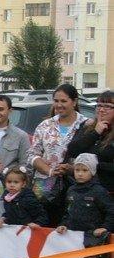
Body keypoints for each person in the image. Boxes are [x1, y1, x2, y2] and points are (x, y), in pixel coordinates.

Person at [27, 84, 87, 225]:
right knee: (43, 223)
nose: (59, 105)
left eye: (64, 101)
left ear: (74, 101)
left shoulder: (86, 125)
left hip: (75, 185)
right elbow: (32, 154)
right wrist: (47, 169)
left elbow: (92, 159)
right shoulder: (45, 126)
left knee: (69, 225)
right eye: (56, 101)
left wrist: (71, 169)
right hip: (44, 184)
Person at [66, 90, 113, 192]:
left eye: (107, 106)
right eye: (99, 106)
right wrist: (95, 133)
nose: (101, 110)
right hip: (84, 192)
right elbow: (72, 149)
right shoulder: (88, 127)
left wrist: (95, 164)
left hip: (108, 191)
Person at [55, 154, 113, 237]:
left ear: (92, 171)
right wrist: (63, 224)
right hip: (72, 236)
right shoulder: (71, 190)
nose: (80, 174)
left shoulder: (98, 190)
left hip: (92, 237)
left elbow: (111, 211)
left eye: (85, 170)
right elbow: (67, 212)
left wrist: (105, 227)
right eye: (77, 170)